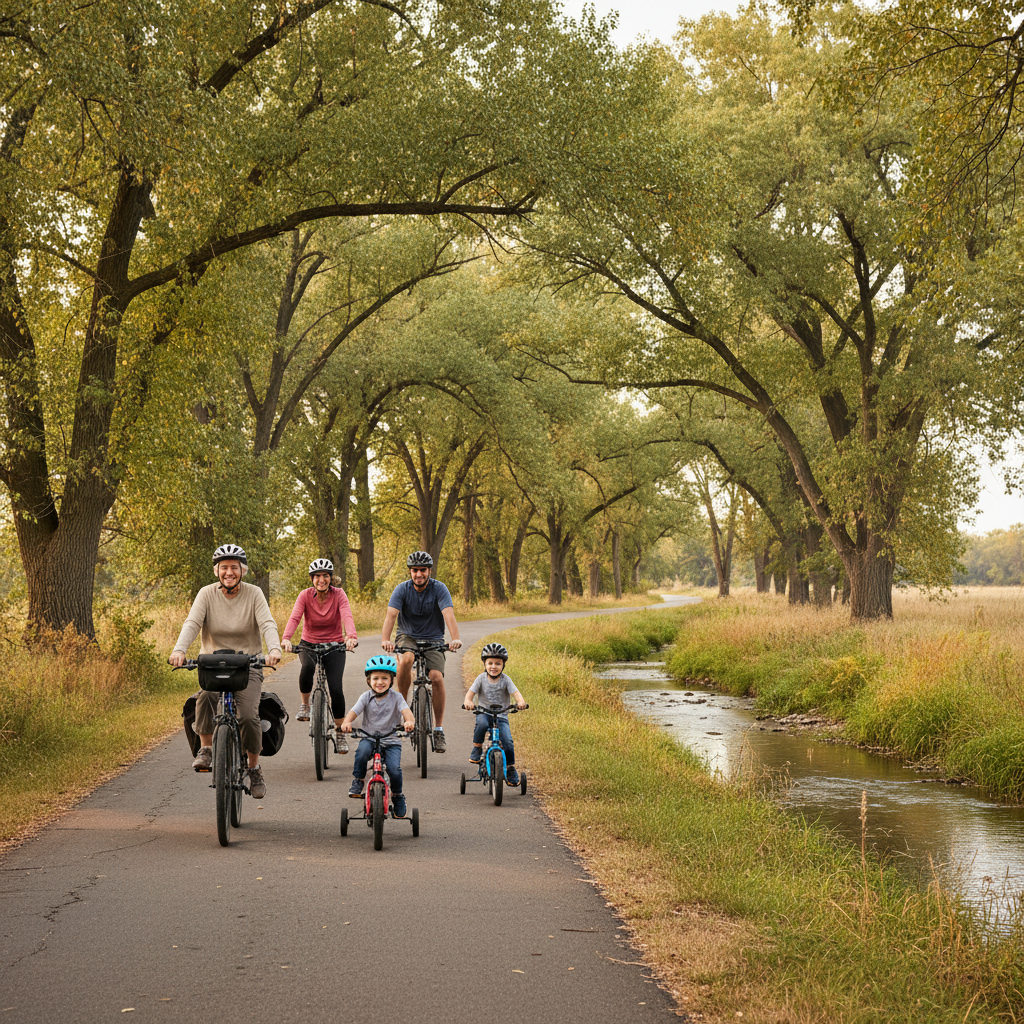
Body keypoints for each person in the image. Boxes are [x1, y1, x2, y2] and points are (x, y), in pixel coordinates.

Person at [169, 544, 282, 800]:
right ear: (217, 571)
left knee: (249, 717)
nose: (228, 572)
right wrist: (179, 650)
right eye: (224, 567)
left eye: (234, 567)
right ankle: (206, 749)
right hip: (213, 662)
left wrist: (273, 648)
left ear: (242, 570)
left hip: (248, 664)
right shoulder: (206, 594)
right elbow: (192, 623)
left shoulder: (254, 594)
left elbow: (267, 623)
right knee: (206, 696)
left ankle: (254, 768)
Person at [380, 550, 462, 753]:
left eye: (423, 570)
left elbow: (448, 614)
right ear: (410, 572)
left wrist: (455, 638)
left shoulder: (439, 588)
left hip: (434, 638)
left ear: (429, 571)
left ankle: (438, 729)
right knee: (406, 660)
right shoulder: (401, 589)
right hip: (407, 636)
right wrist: (385, 640)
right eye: (415, 570)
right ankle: (402, 708)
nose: (419, 574)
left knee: (436, 677)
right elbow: (391, 616)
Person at [281, 558, 359, 753]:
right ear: (312, 579)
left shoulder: (339, 594)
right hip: (309, 643)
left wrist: (351, 637)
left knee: (335, 688)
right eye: (317, 576)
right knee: (307, 667)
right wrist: (286, 638)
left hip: (335, 645)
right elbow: (295, 617)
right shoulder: (305, 596)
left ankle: (340, 732)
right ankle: (305, 705)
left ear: (331, 578)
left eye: (325, 576)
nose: (321, 579)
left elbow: (347, 615)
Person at [339, 655, 414, 818]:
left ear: (391, 680)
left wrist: (409, 721)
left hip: (392, 740)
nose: (380, 682)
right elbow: (354, 711)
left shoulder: (397, 697)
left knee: (394, 769)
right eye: (376, 678)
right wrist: (346, 722)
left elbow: (406, 711)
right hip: (369, 737)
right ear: (368, 680)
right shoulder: (366, 697)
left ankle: (398, 795)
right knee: (361, 753)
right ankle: (358, 780)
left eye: (385, 678)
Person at [463, 642, 526, 787]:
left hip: (502, 715)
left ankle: (510, 767)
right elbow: (470, 694)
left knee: (508, 741)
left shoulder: (506, 679)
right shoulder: (481, 679)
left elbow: (516, 693)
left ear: (503, 665)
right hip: (484, 712)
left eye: (498, 663)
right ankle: (477, 747)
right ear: (484, 664)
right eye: (490, 663)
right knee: (482, 724)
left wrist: (520, 702)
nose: (493, 666)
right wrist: (468, 701)